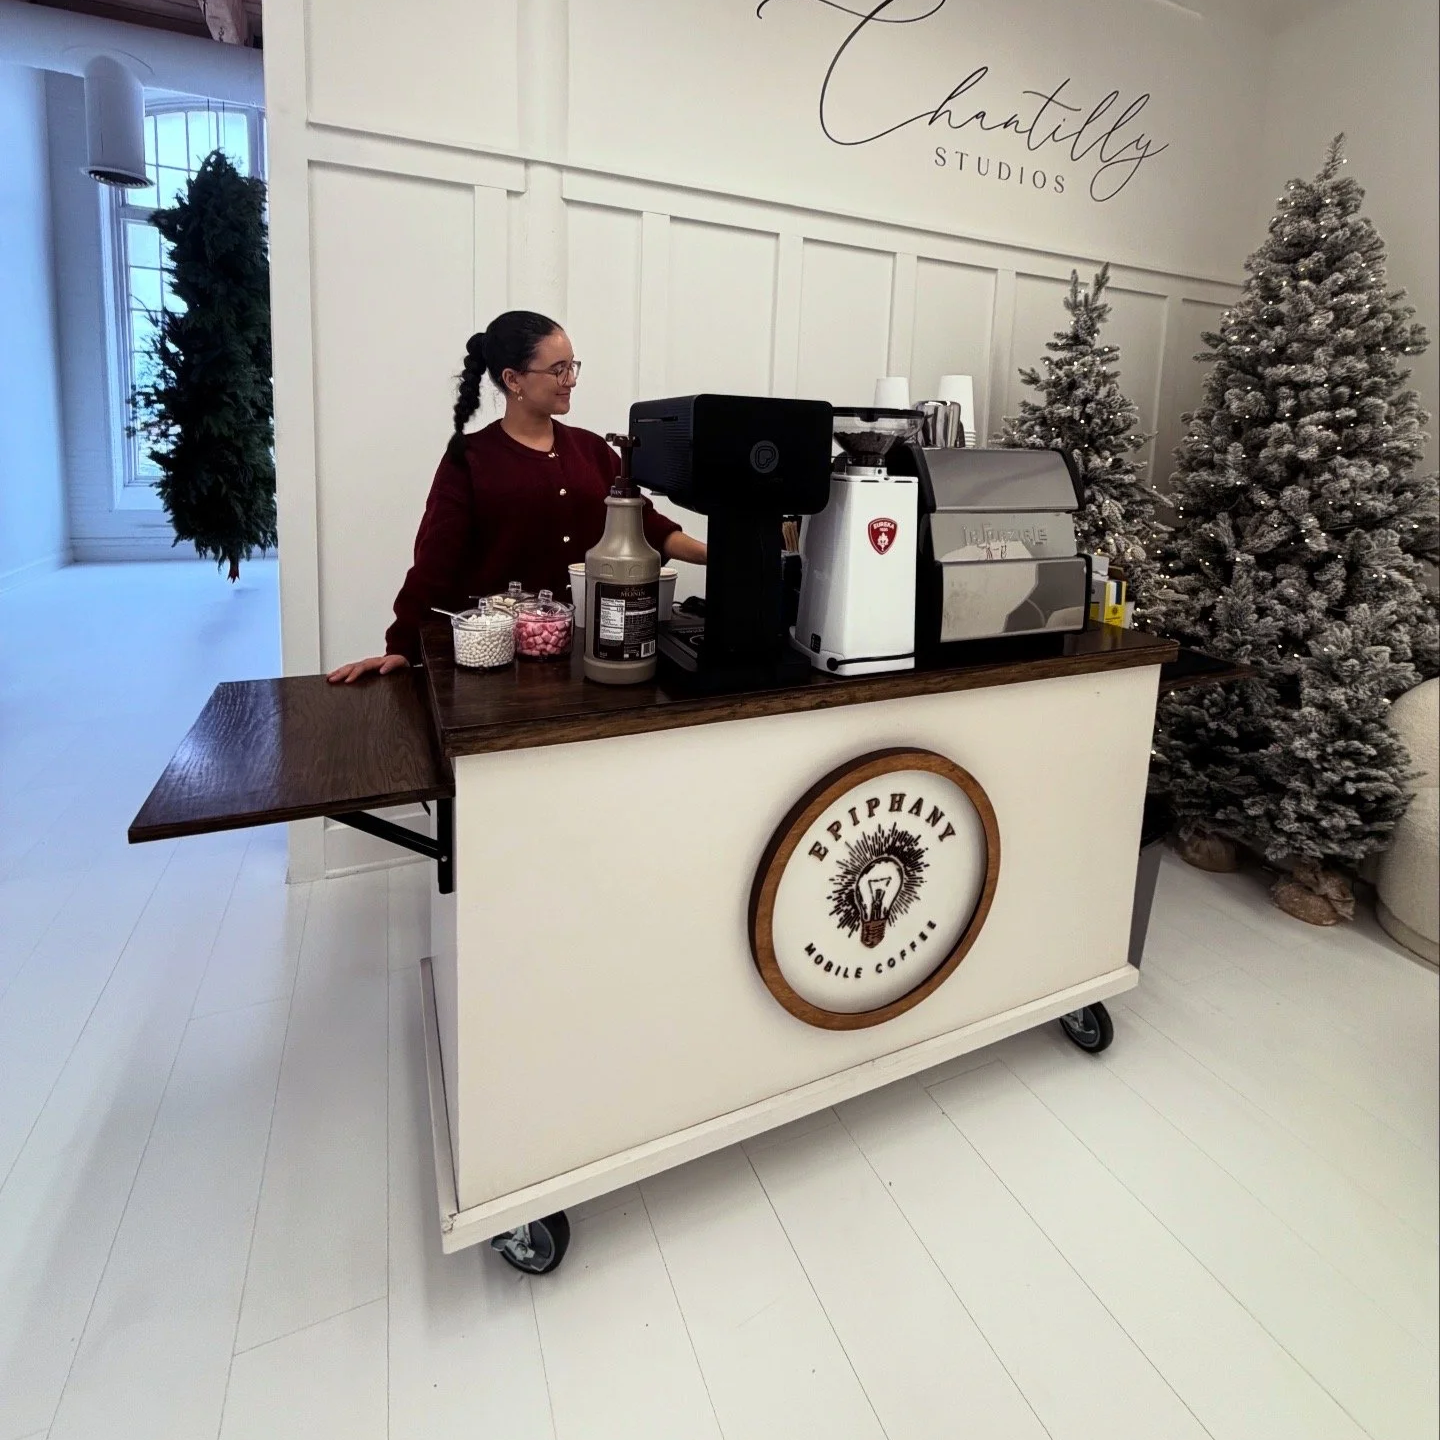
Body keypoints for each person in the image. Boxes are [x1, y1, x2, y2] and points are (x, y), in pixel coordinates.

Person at [328, 311, 705, 682]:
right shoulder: (470, 460)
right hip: (498, 666)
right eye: (558, 369)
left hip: (591, 657)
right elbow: (434, 563)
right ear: (513, 379)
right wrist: (401, 647)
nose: (570, 380)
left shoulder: (591, 449)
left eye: (573, 366)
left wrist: (716, 554)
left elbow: (647, 527)